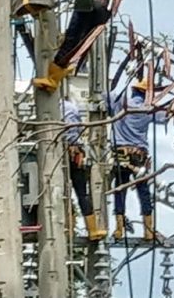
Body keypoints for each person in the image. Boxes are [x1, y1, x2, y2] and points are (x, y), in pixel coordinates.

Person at [108, 76, 170, 242]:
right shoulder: (149, 109)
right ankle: (148, 231)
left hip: (121, 155)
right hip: (139, 156)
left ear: (134, 90)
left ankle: (119, 229)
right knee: (144, 192)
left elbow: (104, 95)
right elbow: (166, 116)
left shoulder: (121, 103)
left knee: (120, 190)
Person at [63, 95, 107, 241]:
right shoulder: (71, 107)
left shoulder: (55, 108)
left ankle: (68, 230)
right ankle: (92, 230)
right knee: (82, 193)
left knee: (62, 194)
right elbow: (78, 128)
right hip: (73, 154)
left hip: (57, 155)